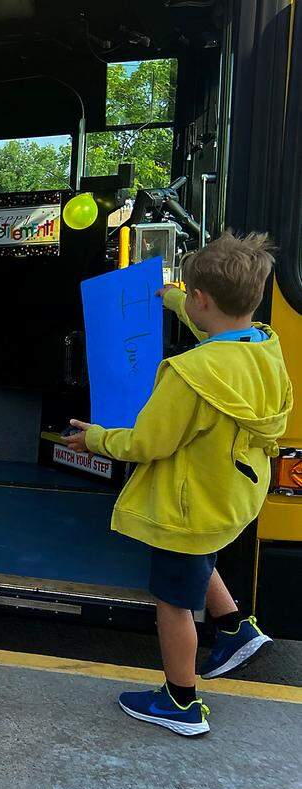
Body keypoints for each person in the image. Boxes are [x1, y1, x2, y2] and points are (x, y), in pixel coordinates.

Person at [65, 232, 292, 736]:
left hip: (189, 505)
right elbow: (214, 328)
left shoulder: (191, 373)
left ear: (203, 298)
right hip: (230, 494)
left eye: (188, 293)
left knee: (173, 601)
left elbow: (148, 443)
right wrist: (170, 297)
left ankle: (181, 700)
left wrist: (98, 440)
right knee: (201, 555)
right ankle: (234, 628)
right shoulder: (262, 345)